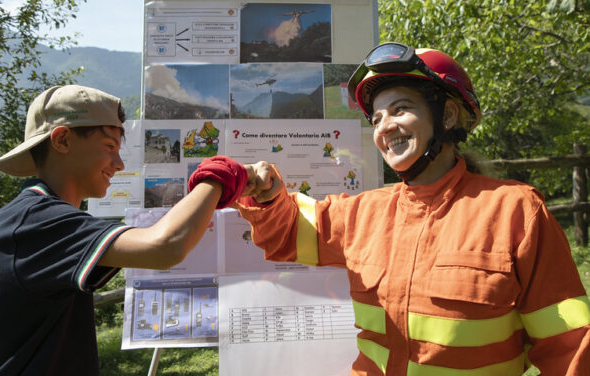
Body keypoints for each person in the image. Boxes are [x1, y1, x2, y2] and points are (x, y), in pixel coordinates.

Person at [234, 43, 590, 375]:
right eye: (375, 119)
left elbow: (569, 347)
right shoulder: (362, 213)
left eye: (400, 109)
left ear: (448, 115)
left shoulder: (516, 210)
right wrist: (264, 191)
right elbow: (282, 232)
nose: (384, 127)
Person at [0, 85, 248, 375]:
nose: (120, 163)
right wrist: (220, 175)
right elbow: (165, 247)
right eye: (110, 147)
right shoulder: (35, 222)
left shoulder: (33, 218)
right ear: (62, 140)